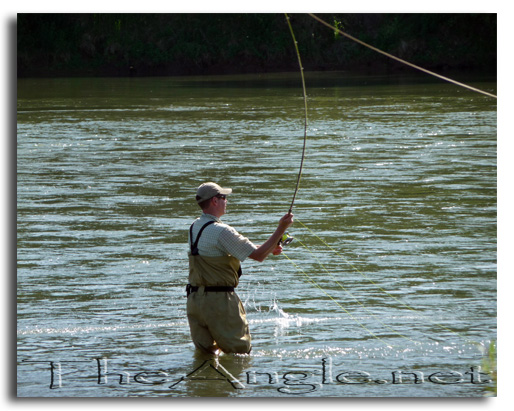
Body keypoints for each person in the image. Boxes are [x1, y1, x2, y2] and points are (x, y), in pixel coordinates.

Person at [186, 182, 294, 354]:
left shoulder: (195, 227)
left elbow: (235, 249)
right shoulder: (222, 231)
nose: (226, 201)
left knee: (206, 357)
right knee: (240, 354)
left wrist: (270, 247)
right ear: (215, 201)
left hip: (195, 301)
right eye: (224, 197)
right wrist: (281, 228)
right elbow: (258, 256)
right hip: (219, 303)